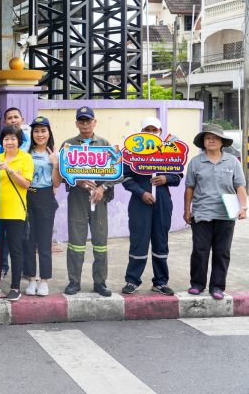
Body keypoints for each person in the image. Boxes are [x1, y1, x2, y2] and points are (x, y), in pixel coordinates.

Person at [184, 123, 248, 300]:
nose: (211, 140)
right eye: (208, 138)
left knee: (222, 252)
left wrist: (243, 208)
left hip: (226, 214)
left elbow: (240, 186)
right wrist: (187, 210)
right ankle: (197, 284)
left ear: (222, 142)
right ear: (203, 142)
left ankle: (217, 287)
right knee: (200, 250)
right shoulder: (195, 162)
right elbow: (189, 188)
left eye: (215, 138)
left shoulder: (232, 162)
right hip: (201, 213)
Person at [121, 117, 181, 296]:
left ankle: (161, 282)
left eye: (154, 130)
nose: (151, 133)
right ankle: (132, 280)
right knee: (138, 241)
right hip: (140, 202)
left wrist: (166, 178)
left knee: (161, 241)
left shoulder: (169, 151)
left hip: (162, 201)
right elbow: (125, 178)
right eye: (147, 130)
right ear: (141, 132)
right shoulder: (132, 152)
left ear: (160, 132)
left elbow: (178, 176)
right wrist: (141, 192)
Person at [61, 107, 114, 297]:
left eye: (88, 121)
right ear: (76, 123)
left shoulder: (104, 144)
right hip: (77, 198)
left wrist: (102, 187)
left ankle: (100, 282)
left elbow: (116, 172)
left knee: (100, 243)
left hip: (99, 199)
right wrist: (76, 180)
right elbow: (62, 172)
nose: (85, 124)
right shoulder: (68, 145)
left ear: (94, 122)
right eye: (81, 121)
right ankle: (74, 281)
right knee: (76, 242)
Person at [0, 125, 33, 301]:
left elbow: (26, 184)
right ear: (1, 141)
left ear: (19, 141)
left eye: (13, 138)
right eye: (6, 139)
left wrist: (9, 169)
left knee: (15, 249)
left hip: (15, 211)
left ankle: (15, 287)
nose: (9, 142)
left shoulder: (26, 158)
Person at [23, 116, 61, 296]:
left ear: (49, 133)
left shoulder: (55, 154)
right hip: (27, 196)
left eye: (43, 131)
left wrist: (55, 164)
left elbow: (56, 183)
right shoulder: (26, 152)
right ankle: (32, 278)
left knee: (44, 242)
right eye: (36, 131)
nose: (40, 134)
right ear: (32, 134)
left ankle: (44, 280)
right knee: (28, 241)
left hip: (46, 197)